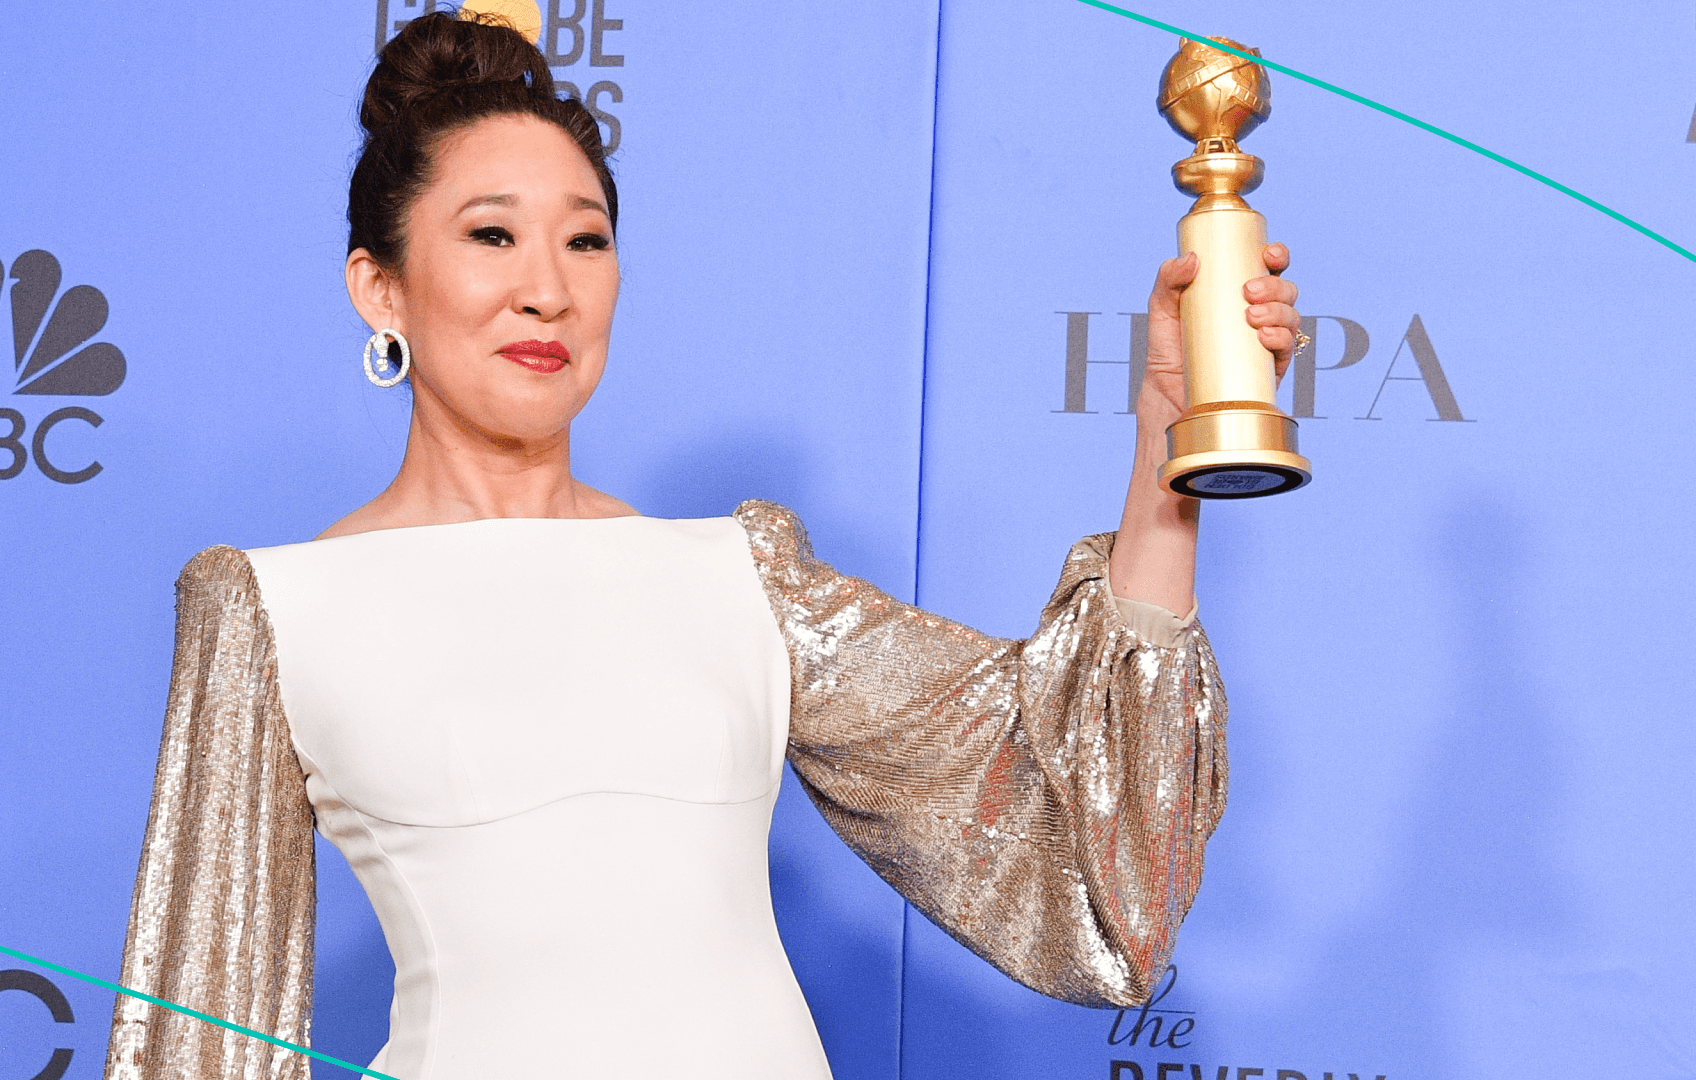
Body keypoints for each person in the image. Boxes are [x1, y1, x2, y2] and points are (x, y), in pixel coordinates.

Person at [102, 12, 1303, 1080]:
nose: (546, 291)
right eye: (488, 236)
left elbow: (1076, 827)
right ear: (380, 287)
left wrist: (1166, 445)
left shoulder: (741, 576)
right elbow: (201, 1035)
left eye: (584, 241)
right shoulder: (275, 608)